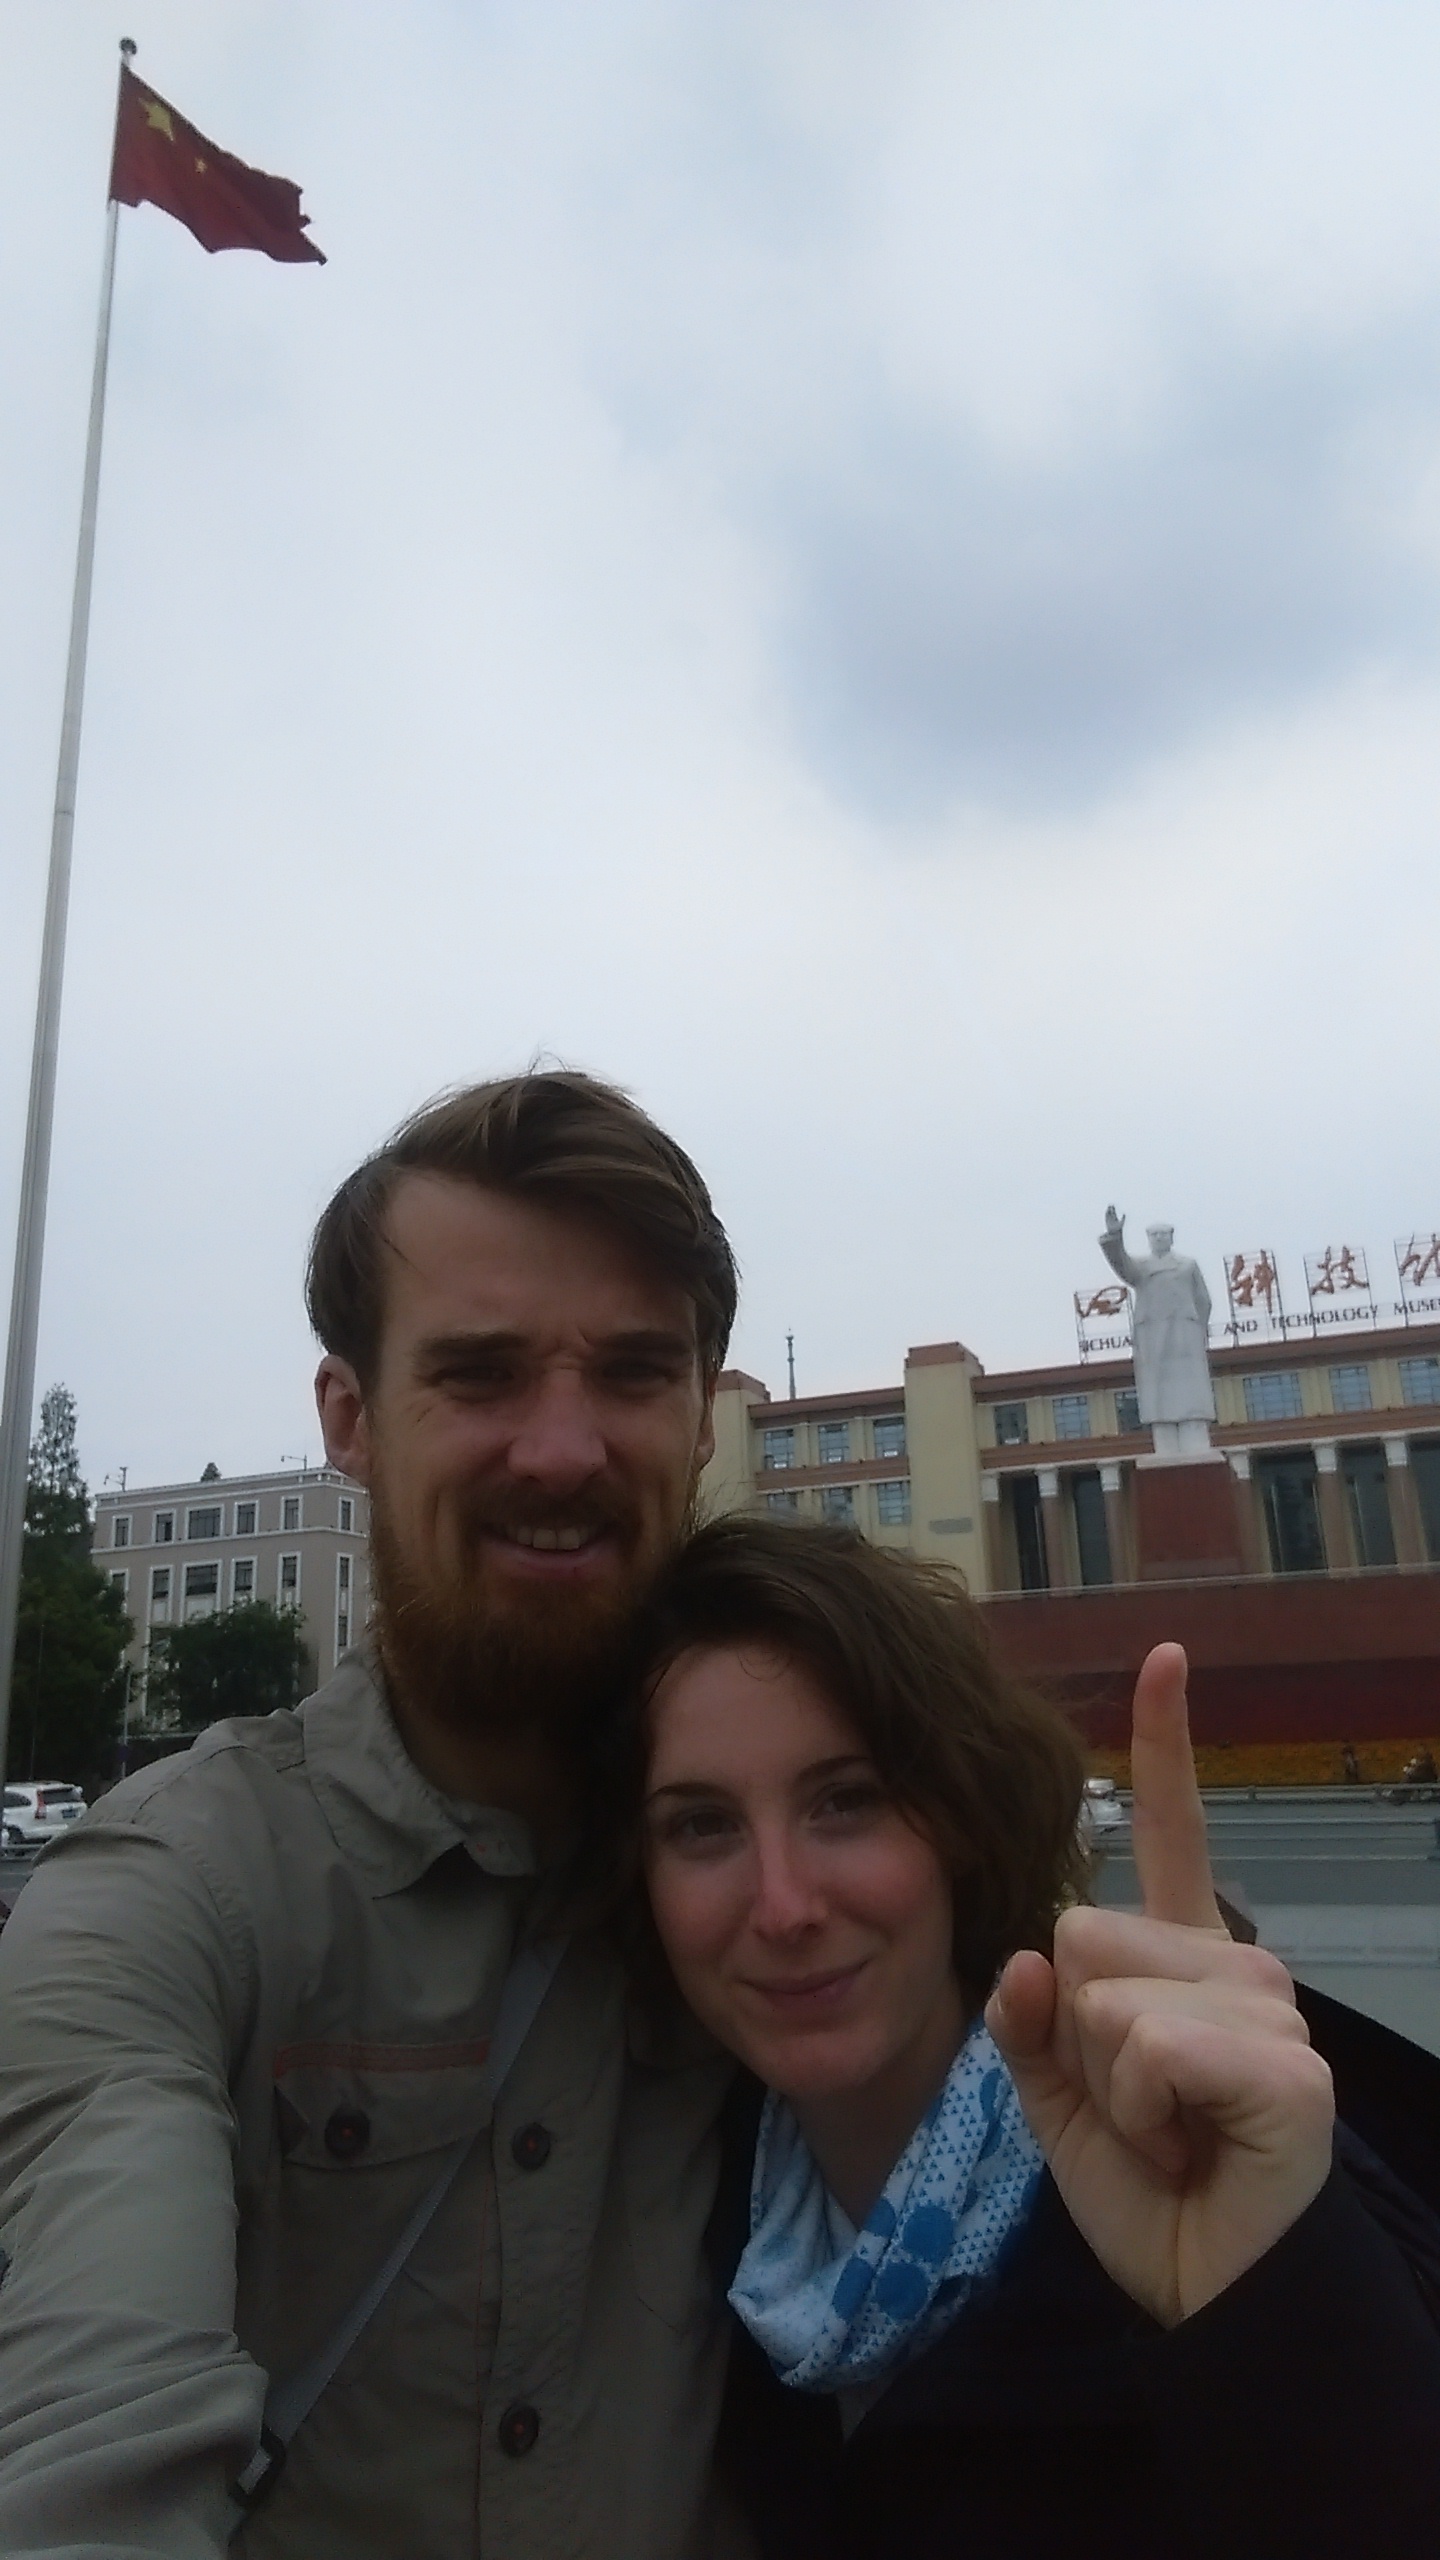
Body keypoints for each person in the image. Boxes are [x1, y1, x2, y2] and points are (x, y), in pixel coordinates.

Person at [0, 1071, 750, 2560]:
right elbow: (91, 2428)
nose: (563, 1448)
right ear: (349, 1417)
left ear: (701, 1414)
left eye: (632, 1371)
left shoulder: (814, 1868)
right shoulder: (173, 1896)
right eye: (480, 1375)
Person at [631, 1518, 1440, 2559]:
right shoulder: (690, 2247)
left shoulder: (1214, 2155)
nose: (784, 1906)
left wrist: (1277, 2311)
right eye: (701, 1825)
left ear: (960, 1819)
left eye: (847, 1801)